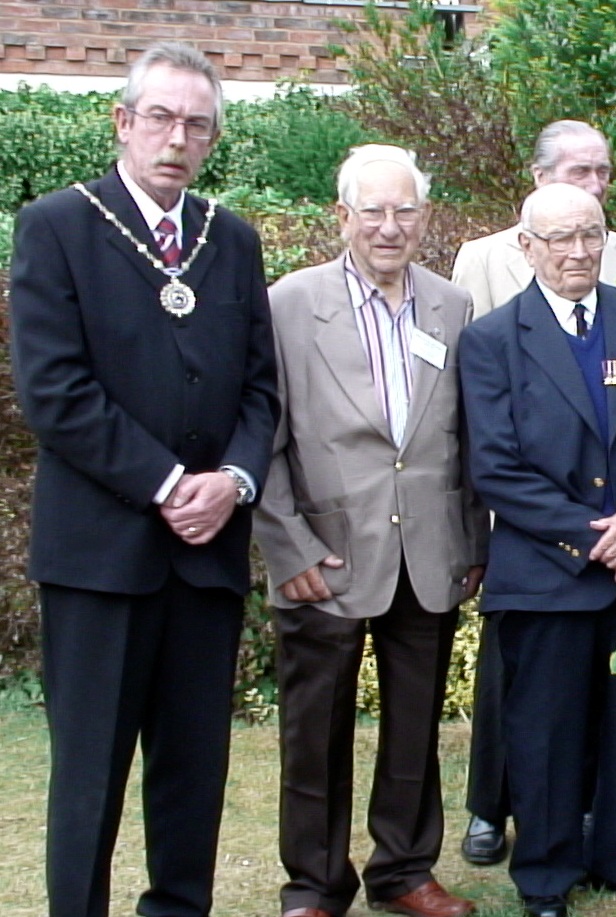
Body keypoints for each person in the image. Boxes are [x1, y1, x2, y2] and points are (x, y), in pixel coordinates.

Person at [8, 42, 279, 917]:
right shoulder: (57, 226)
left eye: (196, 124)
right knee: (89, 772)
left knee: (193, 768)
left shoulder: (230, 240)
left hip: (206, 557)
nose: (177, 137)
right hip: (100, 556)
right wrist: (170, 484)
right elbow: (55, 393)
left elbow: (261, 387)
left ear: (211, 139)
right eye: (159, 117)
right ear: (123, 121)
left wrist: (233, 479)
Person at [457, 182, 616, 917]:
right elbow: (495, 467)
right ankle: (544, 872)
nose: (577, 251)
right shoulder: (493, 340)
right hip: (546, 574)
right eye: (559, 237)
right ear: (526, 246)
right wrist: (591, 537)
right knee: (544, 730)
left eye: (590, 234)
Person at [253, 144, 489, 917]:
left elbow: (467, 438)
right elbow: (264, 432)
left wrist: (471, 543)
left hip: (428, 553)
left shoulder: (451, 306)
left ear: (424, 217)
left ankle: (405, 869)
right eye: (373, 211)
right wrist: (286, 545)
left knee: (414, 727)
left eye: (405, 211)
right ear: (343, 216)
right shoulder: (289, 302)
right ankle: (314, 884)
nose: (390, 227)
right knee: (314, 733)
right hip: (325, 554)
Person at [449, 119, 616, 867]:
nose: (591, 186)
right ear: (536, 184)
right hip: (536, 534)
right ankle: (491, 808)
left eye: (601, 172)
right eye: (576, 170)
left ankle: (601, 832)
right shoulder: (486, 262)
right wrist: (581, 530)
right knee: (521, 694)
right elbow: (481, 417)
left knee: (606, 703)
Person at [452, 120, 616, 318]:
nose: (596, 186)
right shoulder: (483, 260)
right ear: (540, 176)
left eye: (603, 172)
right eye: (580, 172)